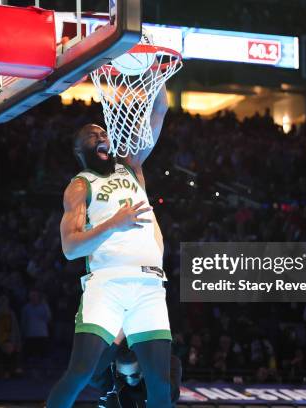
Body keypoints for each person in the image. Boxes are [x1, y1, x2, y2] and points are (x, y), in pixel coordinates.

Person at [46, 85, 171, 407]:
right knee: (80, 371)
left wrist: (156, 72)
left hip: (150, 284)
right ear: (80, 150)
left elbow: (159, 109)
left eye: (103, 132)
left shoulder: (132, 165)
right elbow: (71, 248)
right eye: (92, 135)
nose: (101, 136)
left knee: (161, 384)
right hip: (108, 284)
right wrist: (114, 222)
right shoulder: (79, 185)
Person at [93, 346, 181, 408]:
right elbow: (90, 373)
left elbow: (170, 394)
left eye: (134, 375)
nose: (129, 380)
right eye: (122, 375)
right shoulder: (110, 378)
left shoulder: (168, 366)